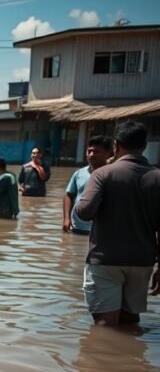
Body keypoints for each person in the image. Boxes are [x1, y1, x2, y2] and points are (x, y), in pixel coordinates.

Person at [74, 120, 160, 327]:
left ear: (116, 145)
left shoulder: (103, 173)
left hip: (106, 258)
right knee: (131, 319)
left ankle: (106, 357)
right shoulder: (157, 177)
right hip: (143, 260)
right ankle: (132, 357)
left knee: (105, 325)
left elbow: (84, 212)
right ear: (144, 146)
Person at [63, 136, 113, 235]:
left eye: (96, 151)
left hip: (101, 230)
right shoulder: (79, 173)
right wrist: (66, 219)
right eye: (89, 151)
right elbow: (69, 195)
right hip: (77, 227)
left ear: (107, 153)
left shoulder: (113, 174)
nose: (91, 155)